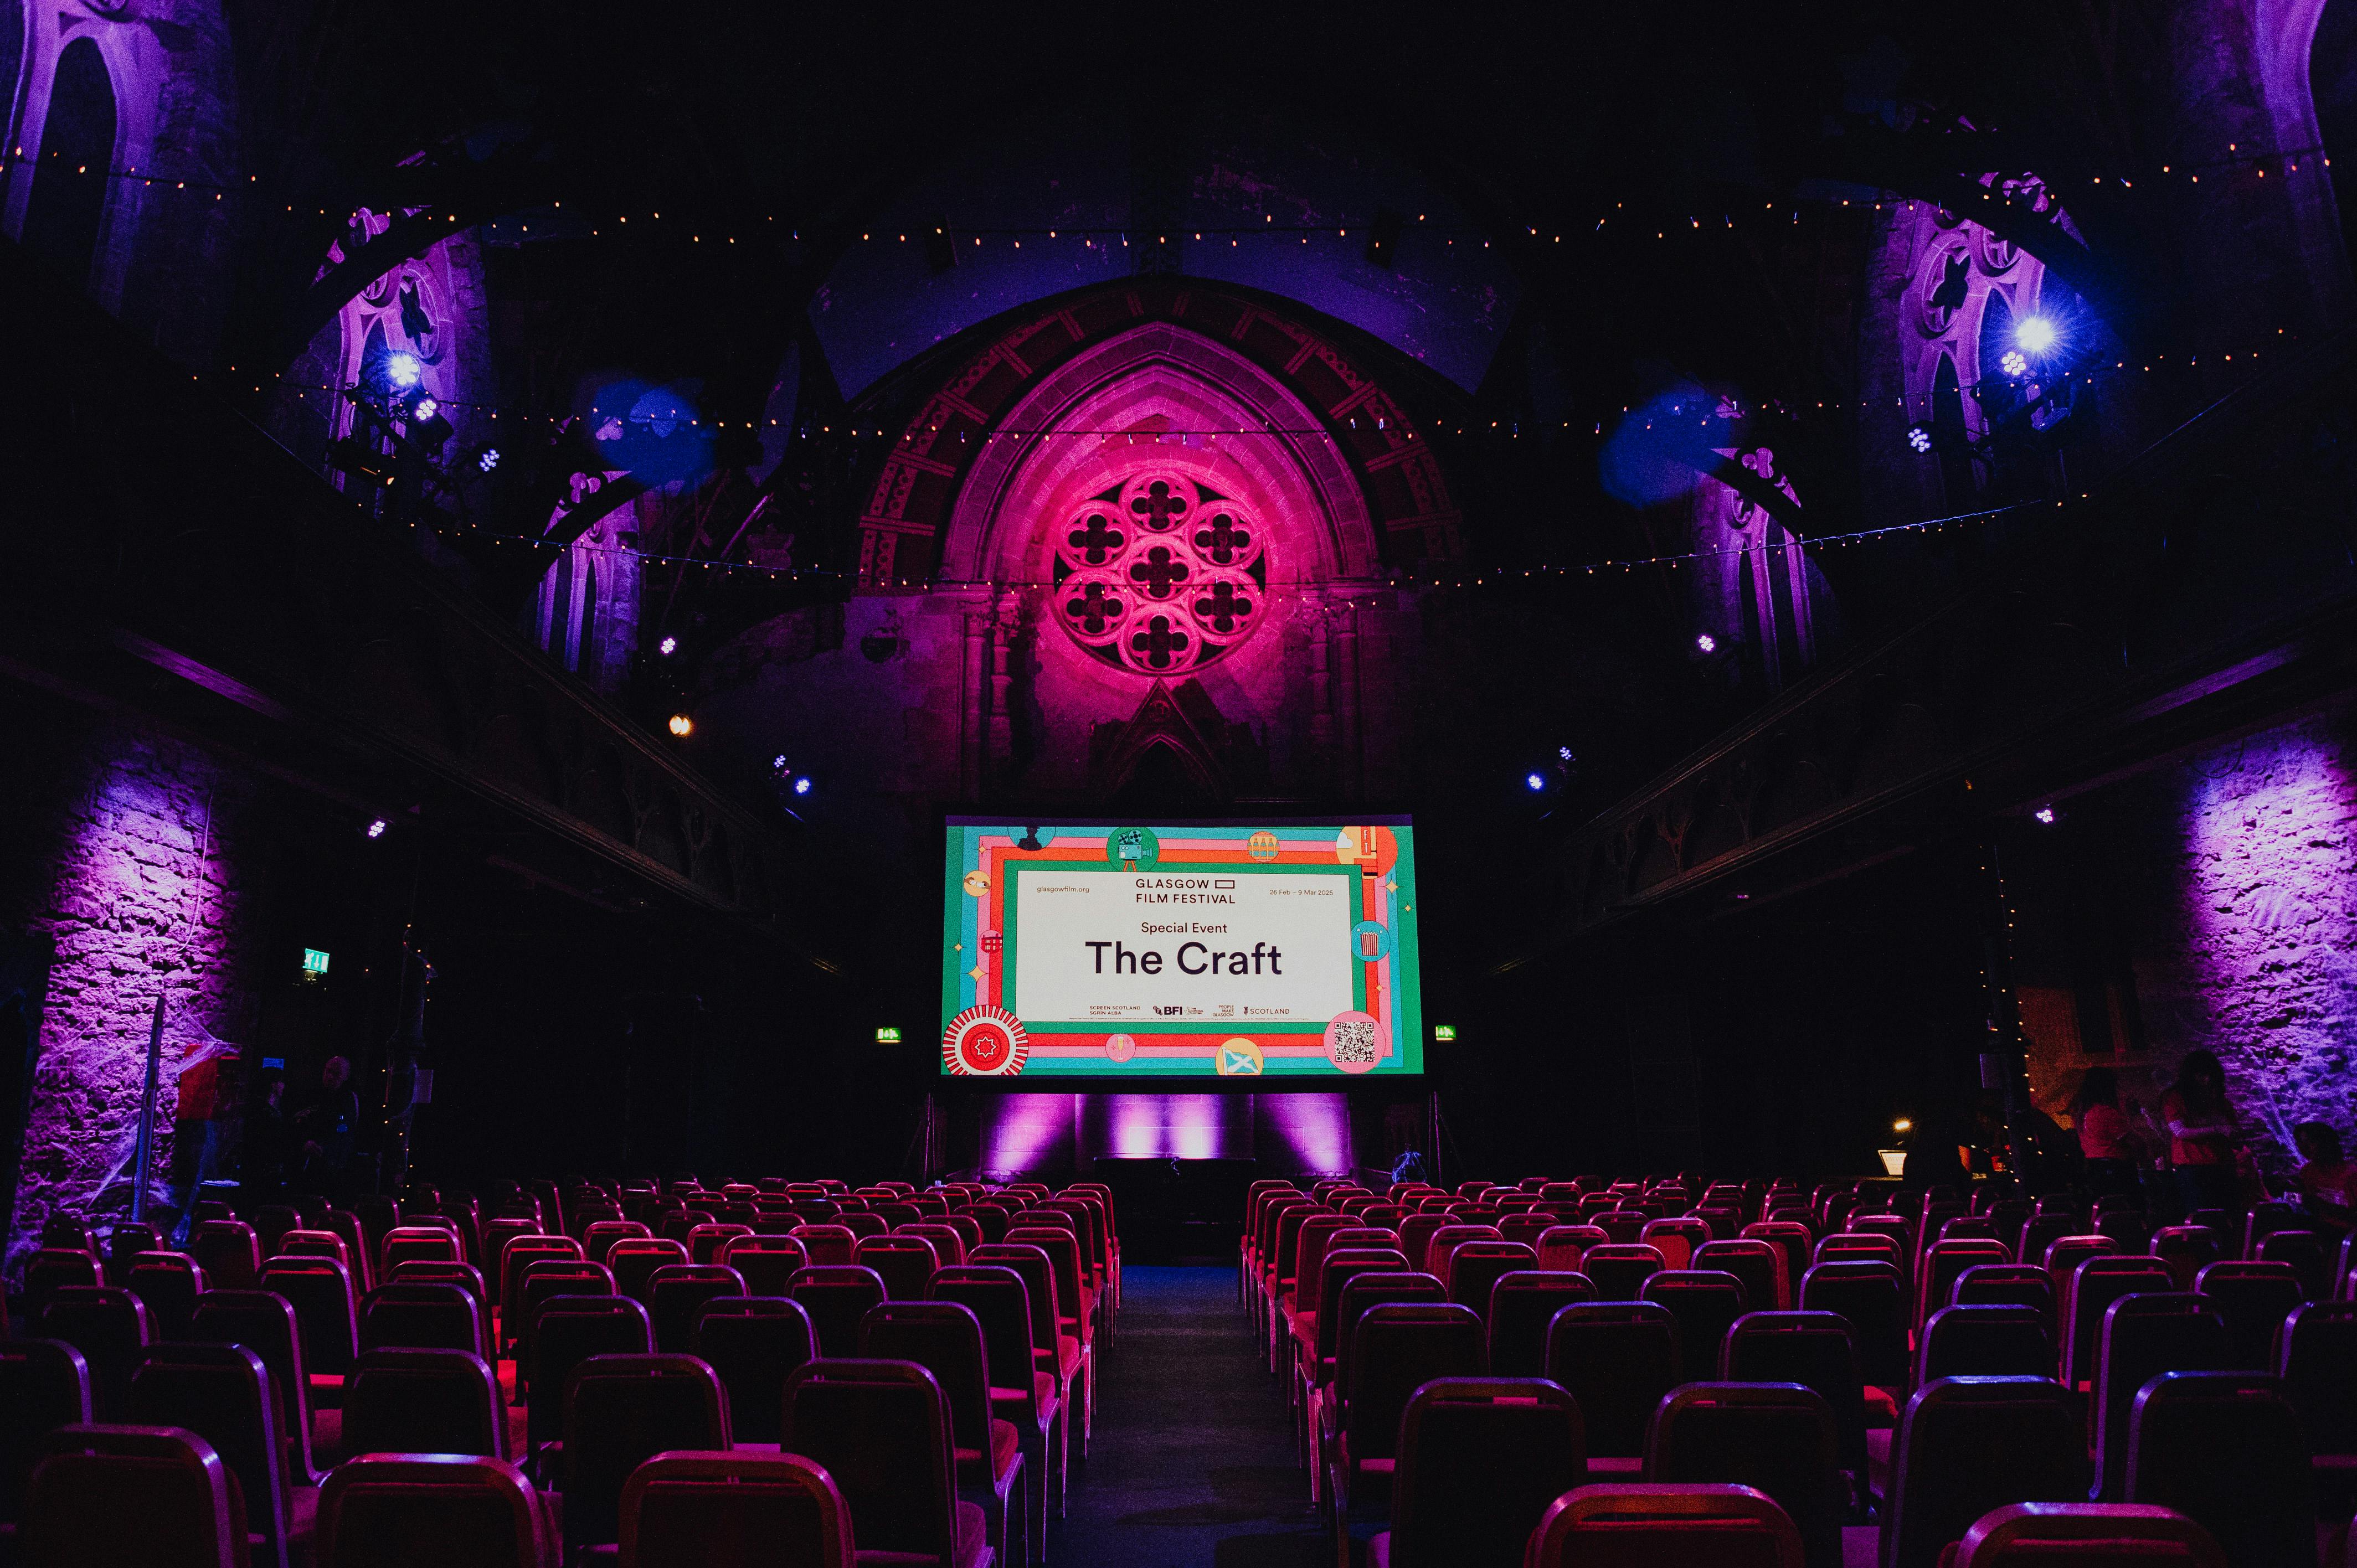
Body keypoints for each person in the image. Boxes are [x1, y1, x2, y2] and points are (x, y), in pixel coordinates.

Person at [2160, 1050, 2241, 1214]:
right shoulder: (2175, 1098)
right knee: (2202, 1218)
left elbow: (2233, 1130)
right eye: (2202, 1075)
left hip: (2222, 1165)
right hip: (2193, 1168)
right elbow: (2179, 1131)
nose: (2207, 1079)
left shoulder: (2218, 1100)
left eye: (2210, 1075)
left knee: (2229, 1215)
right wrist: (2218, 1129)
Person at [293, 1055, 360, 1198]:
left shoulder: (348, 1099)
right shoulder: (312, 1094)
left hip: (333, 1164)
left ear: (346, 1076)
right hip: (306, 1161)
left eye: (336, 1074)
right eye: (328, 1071)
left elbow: (346, 1128)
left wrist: (326, 1144)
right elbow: (297, 1121)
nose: (330, 1077)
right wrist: (304, 1141)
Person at [2070, 1068, 2145, 1195]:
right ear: (2106, 1087)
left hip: (2094, 1170)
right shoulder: (2104, 1112)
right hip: (2117, 1172)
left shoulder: (2081, 1113)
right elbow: (2135, 1142)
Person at [2289, 1122, 2357, 1232]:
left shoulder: (2351, 1174)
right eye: (2301, 1143)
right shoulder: (2307, 1171)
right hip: (2320, 1231)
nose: (2305, 1148)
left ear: (2326, 1142)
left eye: (2311, 1142)